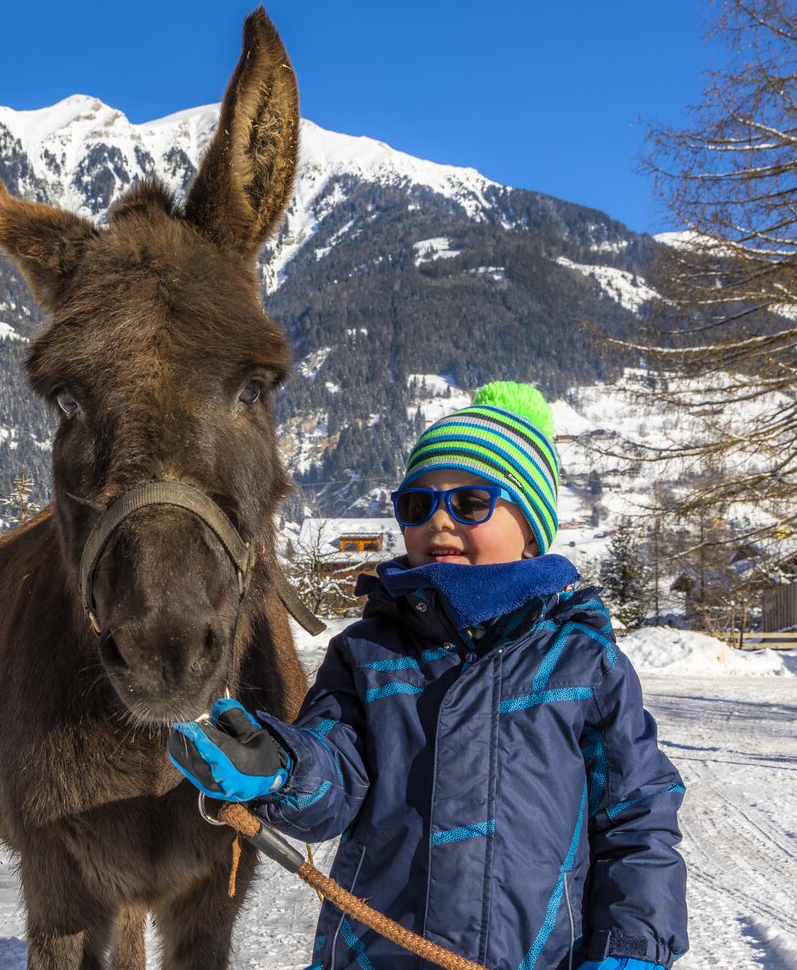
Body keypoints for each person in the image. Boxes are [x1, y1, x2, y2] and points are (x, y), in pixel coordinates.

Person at [169, 382, 687, 970]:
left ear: (531, 529)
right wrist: (282, 769)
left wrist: (633, 946)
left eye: (470, 502)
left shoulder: (583, 663)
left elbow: (638, 819)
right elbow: (334, 778)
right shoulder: (366, 652)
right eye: (417, 505)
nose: (438, 519)